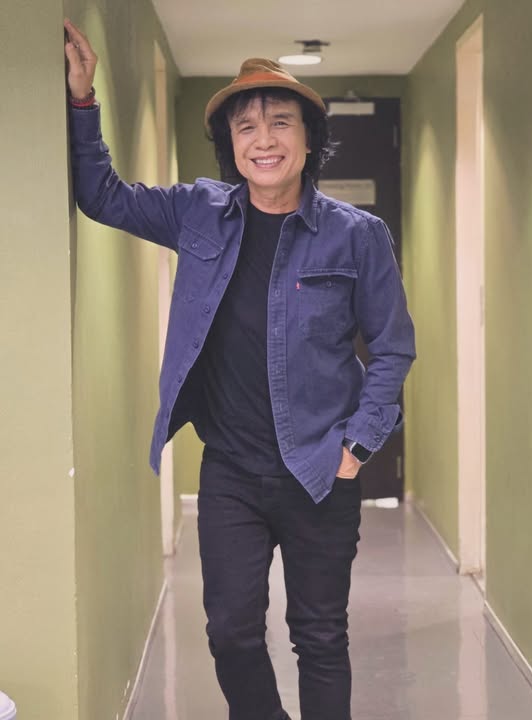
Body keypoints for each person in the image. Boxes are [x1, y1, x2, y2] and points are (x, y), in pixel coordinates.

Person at [64, 18, 415, 720]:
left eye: (280, 122)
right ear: (230, 144)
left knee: (320, 637)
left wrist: (356, 447)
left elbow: (393, 347)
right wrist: (82, 99)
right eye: (246, 126)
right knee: (230, 634)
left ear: (309, 139)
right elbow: (102, 196)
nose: (264, 140)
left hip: (320, 472)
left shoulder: (357, 236)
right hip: (230, 471)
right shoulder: (198, 212)